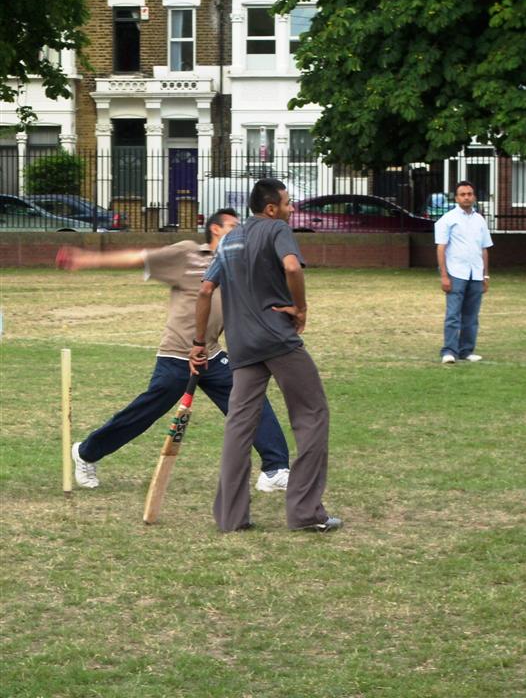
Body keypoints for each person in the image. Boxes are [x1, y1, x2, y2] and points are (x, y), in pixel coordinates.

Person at [56, 209, 290, 491]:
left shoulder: (238, 266)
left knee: (250, 400)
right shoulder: (189, 254)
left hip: (212, 355)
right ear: (215, 229)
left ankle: (275, 469)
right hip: (176, 356)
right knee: (143, 413)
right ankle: (86, 453)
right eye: (233, 226)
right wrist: (88, 259)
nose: (239, 231)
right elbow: (139, 258)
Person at [190, 178, 341, 533]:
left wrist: (199, 343)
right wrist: (300, 309)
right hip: (277, 338)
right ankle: (305, 513)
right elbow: (292, 267)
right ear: (272, 208)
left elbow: (205, 290)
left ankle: (230, 517)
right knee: (312, 414)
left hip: (242, 346)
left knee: (239, 426)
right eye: (287, 203)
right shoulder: (277, 229)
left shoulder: (228, 240)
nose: (291, 209)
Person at [434, 180, 493, 364]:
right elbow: (441, 248)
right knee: (453, 315)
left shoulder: (479, 219)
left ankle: (466, 350)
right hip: (456, 273)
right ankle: (449, 351)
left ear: (474, 196)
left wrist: (485, 275)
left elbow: (484, 248)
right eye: (463, 194)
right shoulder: (448, 219)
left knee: (471, 316)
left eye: (469, 194)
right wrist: (444, 275)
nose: (467, 197)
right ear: (457, 197)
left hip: (475, 274)